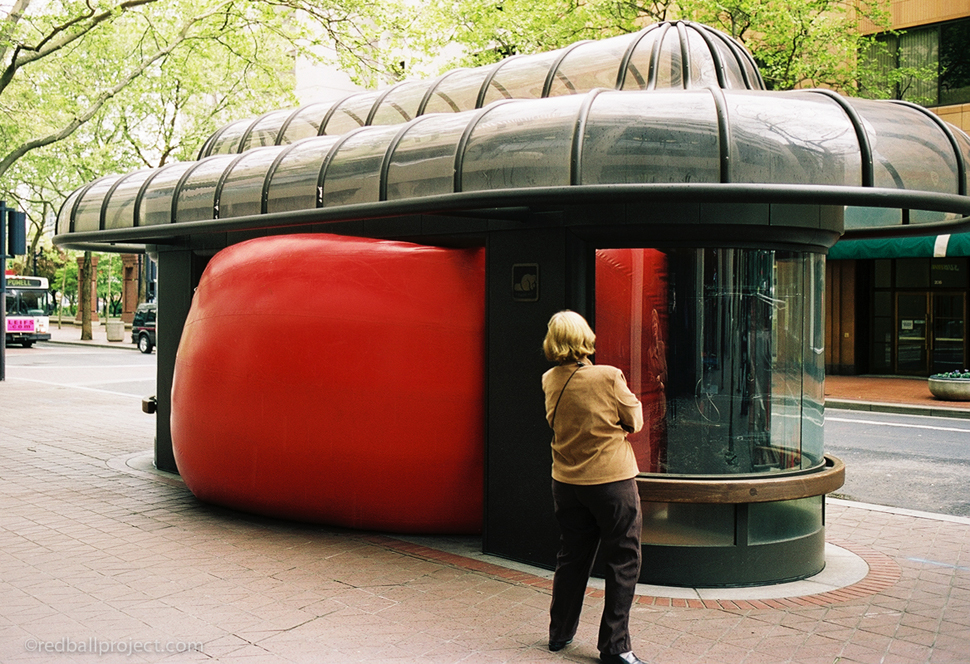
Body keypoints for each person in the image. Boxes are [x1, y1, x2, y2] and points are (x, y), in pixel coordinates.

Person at [541, 310, 647, 664]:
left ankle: (559, 634)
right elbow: (635, 420)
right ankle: (615, 647)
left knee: (572, 557)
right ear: (585, 337)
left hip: (566, 483)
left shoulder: (549, 380)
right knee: (623, 558)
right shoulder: (608, 376)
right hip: (611, 483)